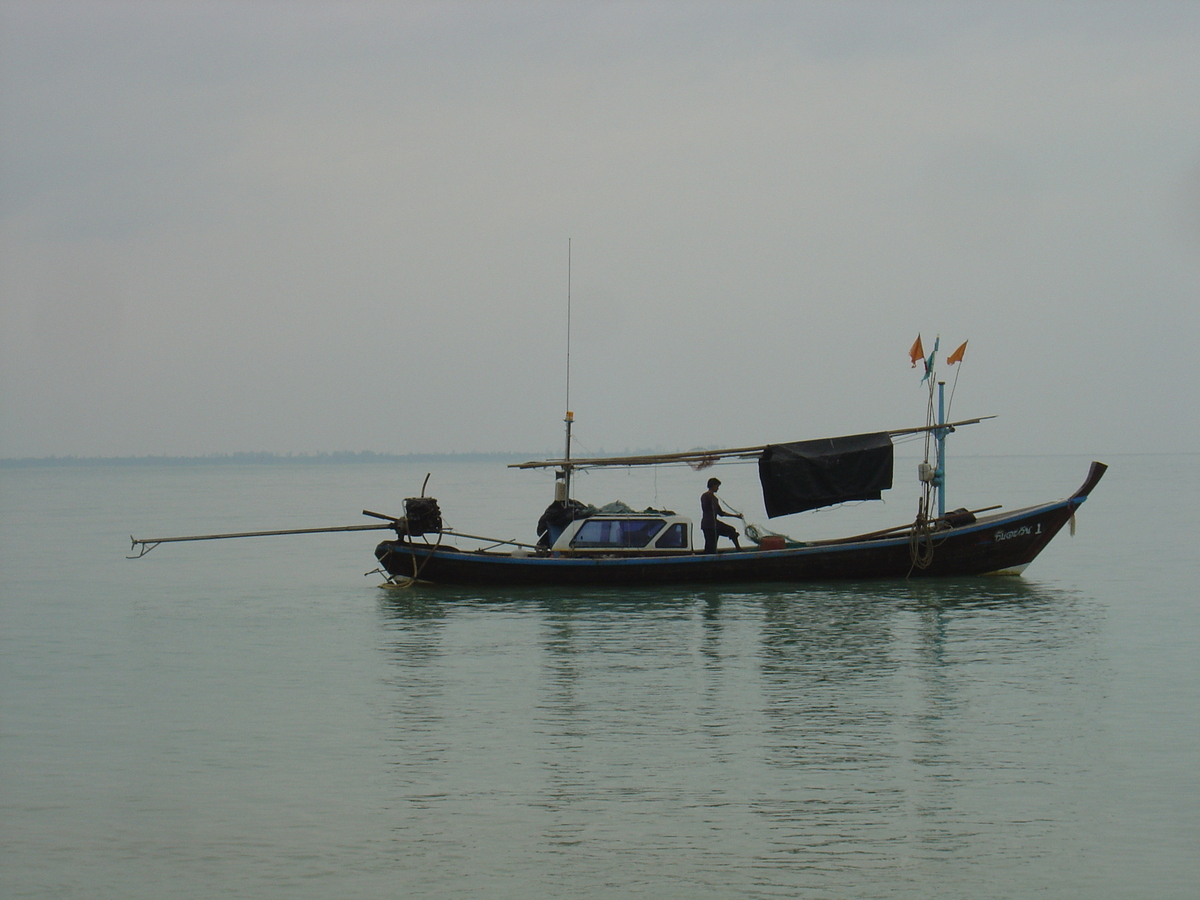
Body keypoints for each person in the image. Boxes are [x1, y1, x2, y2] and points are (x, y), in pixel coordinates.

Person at [700, 477, 742, 553]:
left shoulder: (715, 499)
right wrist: (710, 501)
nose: (718, 488)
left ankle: (738, 549)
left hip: (715, 524)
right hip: (708, 525)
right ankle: (708, 556)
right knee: (710, 546)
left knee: (731, 530)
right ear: (712, 486)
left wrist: (736, 516)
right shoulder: (705, 496)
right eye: (717, 486)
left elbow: (721, 513)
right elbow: (705, 508)